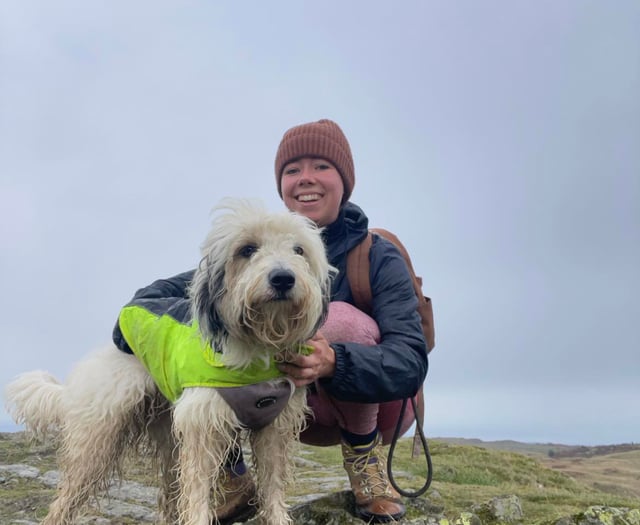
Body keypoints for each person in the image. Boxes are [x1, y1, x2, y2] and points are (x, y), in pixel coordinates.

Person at [112, 119, 429, 523]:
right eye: (293, 170)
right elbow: (169, 296)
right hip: (271, 398)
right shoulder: (250, 246)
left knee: (340, 319)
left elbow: (410, 361)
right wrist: (132, 329)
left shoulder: (377, 257)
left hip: (359, 405)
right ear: (281, 184)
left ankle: (365, 465)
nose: (306, 179)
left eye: (322, 167)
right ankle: (233, 476)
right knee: (210, 337)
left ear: (345, 181)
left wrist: (334, 363)